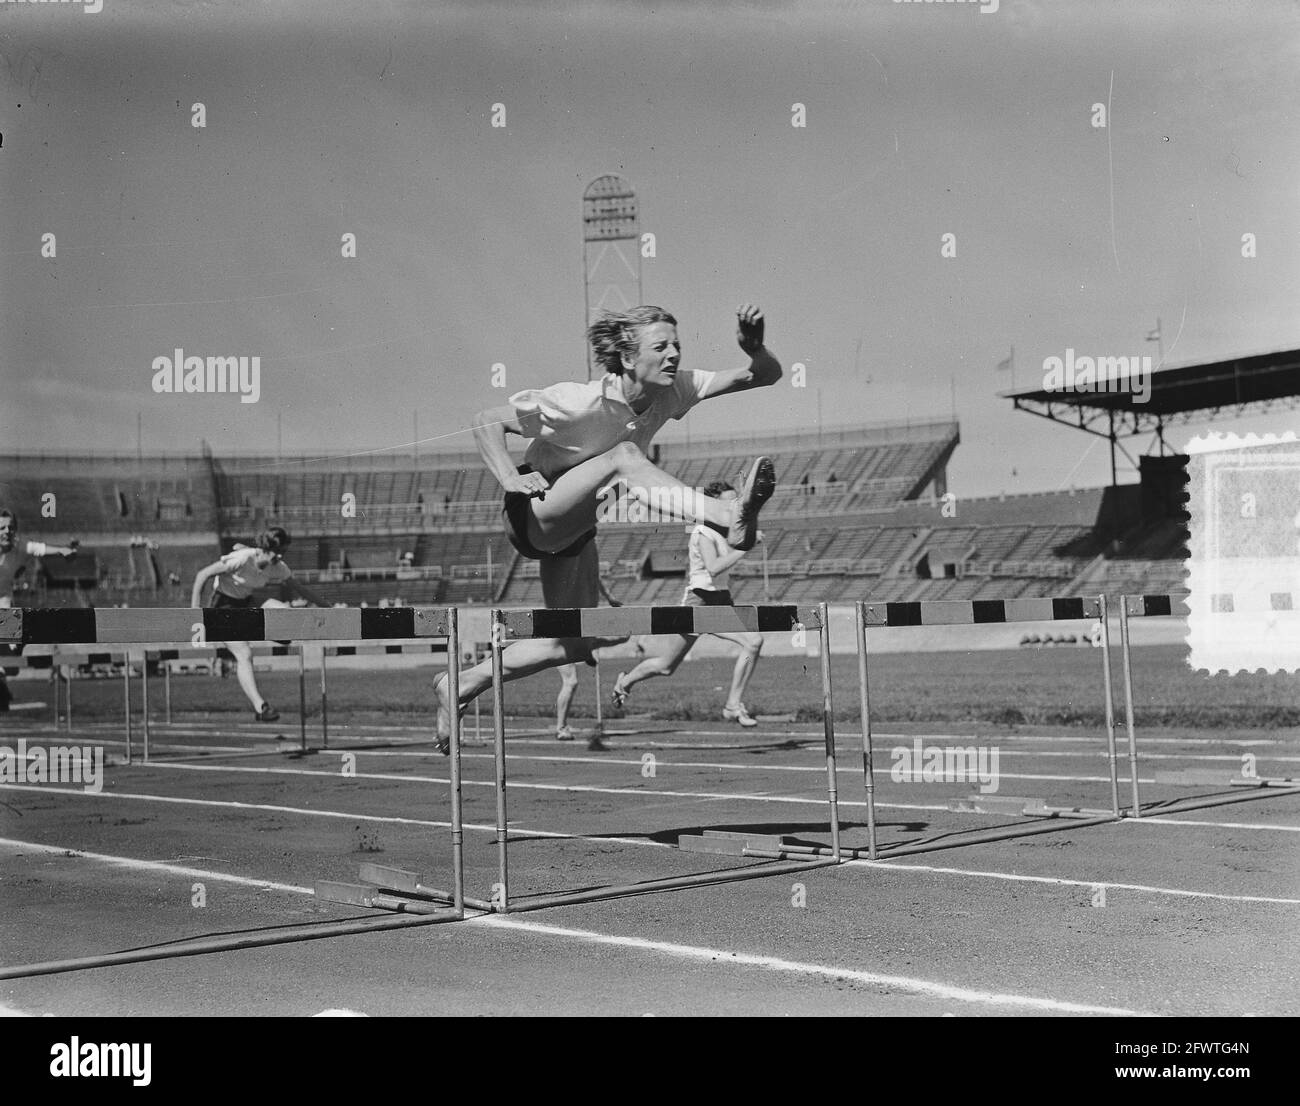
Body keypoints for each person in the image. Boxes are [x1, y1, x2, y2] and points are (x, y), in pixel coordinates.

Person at [433, 303, 782, 752]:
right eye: (662, 346)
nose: (675, 354)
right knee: (625, 458)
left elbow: (764, 375)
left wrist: (756, 348)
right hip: (535, 510)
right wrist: (510, 478)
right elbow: (486, 420)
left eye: (677, 344)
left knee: (570, 645)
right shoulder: (579, 402)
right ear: (629, 358)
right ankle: (724, 515)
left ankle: (460, 684)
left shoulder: (678, 387)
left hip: (576, 531)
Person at [609, 481, 765, 727]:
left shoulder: (725, 532)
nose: (732, 507)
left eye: (735, 502)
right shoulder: (702, 532)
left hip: (721, 599)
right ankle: (625, 682)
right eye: (728, 502)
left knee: (753, 642)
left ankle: (733, 705)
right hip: (700, 602)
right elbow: (713, 568)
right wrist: (746, 548)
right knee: (666, 666)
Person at [190, 527, 331, 722]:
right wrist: (195, 614)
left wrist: (328, 607)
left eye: (283, 551)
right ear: (265, 548)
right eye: (277, 551)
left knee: (284, 611)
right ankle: (261, 707)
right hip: (221, 609)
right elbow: (202, 575)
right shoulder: (242, 559)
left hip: (246, 603)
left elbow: (301, 589)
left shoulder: (278, 567)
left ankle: (278, 633)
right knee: (244, 654)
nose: (280, 556)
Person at [0, 509, 79, 712]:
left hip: (3, 602)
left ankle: (6, 667)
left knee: (12, 649)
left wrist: (62, 551)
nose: (7, 531)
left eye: (10, 527)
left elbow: (40, 549)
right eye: (2, 528)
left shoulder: (20, 546)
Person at [555, 574, 622, 746]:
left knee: (620, 638)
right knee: (570, 681)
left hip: (580, 630)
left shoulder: (586, 572)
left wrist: (610, 599)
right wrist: (610, 598)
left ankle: (587, 651)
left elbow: (596, 578)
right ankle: (561, 727)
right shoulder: (569, 575)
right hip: (563, 631)